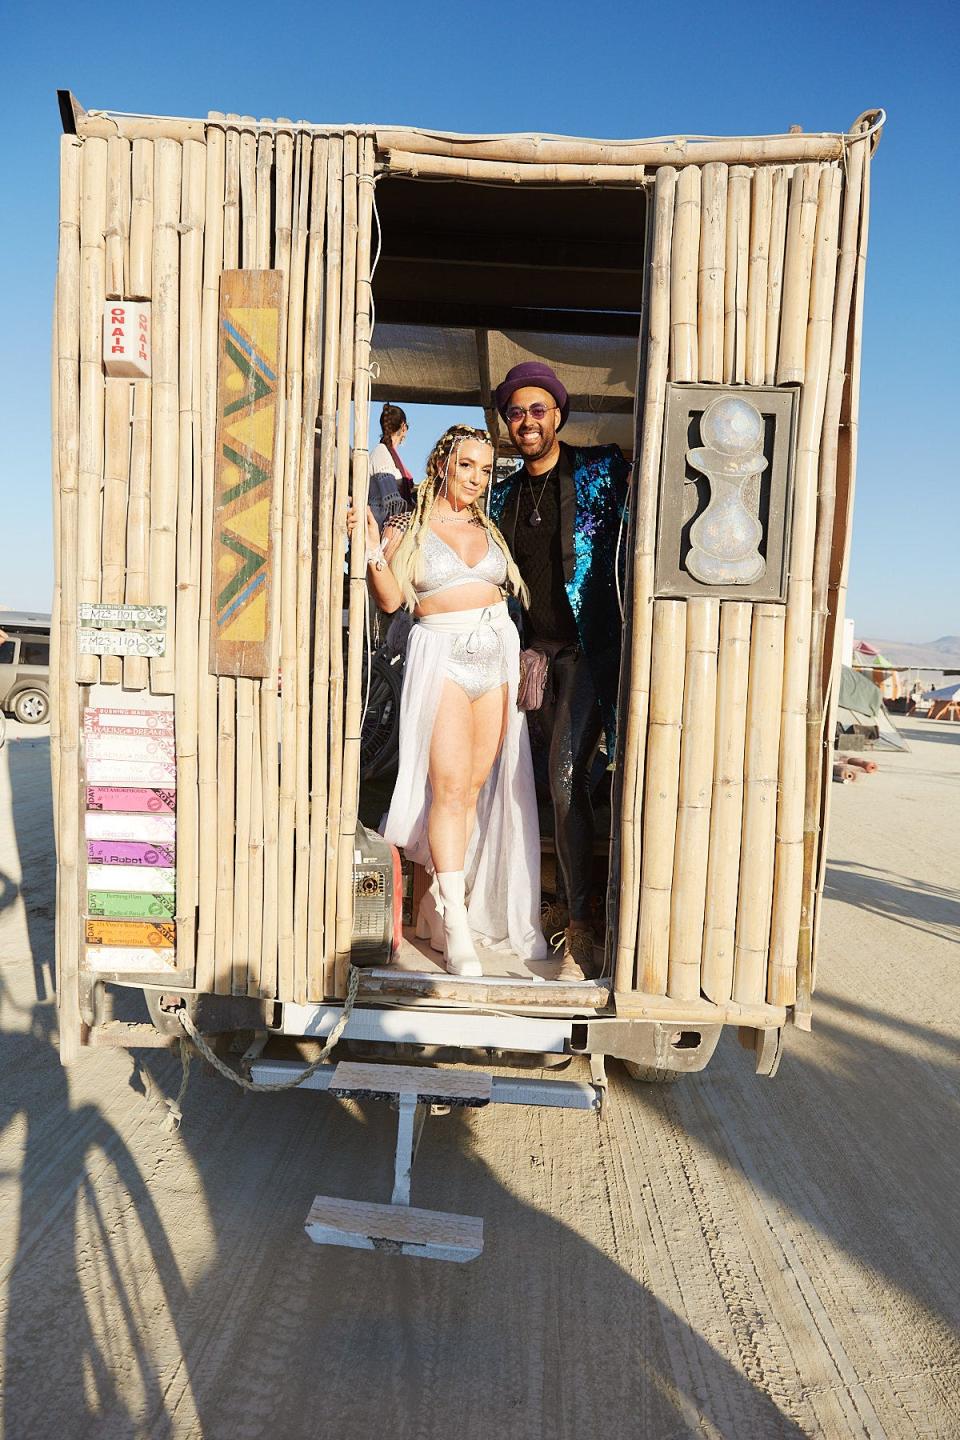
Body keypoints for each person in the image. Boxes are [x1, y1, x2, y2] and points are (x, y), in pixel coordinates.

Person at [347, 424, 547, 976]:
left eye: (485, 469)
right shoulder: (408, 525)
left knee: (476, 788)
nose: (477, 479)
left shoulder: (490, 526)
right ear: (442, 464)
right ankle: (456, 928)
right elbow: (391, 601)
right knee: (450, 789)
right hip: (443, 654)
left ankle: (436, 904)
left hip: (496, 655)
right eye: (467, 466)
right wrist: (368, 550)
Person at [490, 362, 630, 982]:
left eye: (538, 410)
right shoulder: (500, 494)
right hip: (523, 655)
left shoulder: (601, 471)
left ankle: (581, 928)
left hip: (586, 654)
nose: (527, 422)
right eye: (516, 412)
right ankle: (513, 906)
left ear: (558, 416)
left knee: (568, 780)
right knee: (511, 784)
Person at [367, 403, 414, 531]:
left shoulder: (388, 454)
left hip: (392, 525)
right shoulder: (381, 453)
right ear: (403, 427)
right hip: (381, 528)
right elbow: (393, 502)